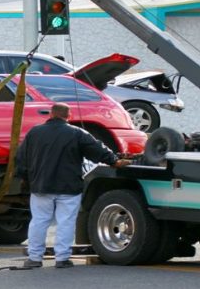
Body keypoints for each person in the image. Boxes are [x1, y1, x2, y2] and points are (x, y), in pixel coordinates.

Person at [16, 102, 131, 269]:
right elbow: (97, 149)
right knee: (66, 222)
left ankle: (34, 258)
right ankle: (62, 258)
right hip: (68, 187)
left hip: (41, 186)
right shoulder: (77, 133)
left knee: (39, 221)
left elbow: (21, 159)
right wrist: (114, 161)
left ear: (50, 114)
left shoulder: (34, 133)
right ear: (68, 116)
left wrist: (26, 179)